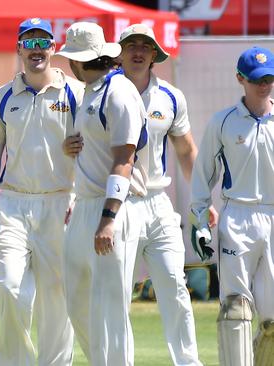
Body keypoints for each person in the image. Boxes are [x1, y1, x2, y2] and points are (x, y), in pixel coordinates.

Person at [63, 23, 216, 365]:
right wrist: (68, 146)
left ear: (154, 55)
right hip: (117, 202)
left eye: (145, 46)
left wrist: (201, 201)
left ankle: (188, 362)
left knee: (174, 286)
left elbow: (186, 151)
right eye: (131, 44)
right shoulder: (94, 90)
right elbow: (81, 143)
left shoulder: (170, 96)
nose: (137, 51)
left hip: (156, 202)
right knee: (110, 297)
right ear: (117, 52)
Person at [0, 18, 83, 365]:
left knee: (58, 295)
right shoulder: (2, 96)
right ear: (19, 47)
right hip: (13, 202)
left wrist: (78, 196)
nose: (36, 50)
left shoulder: (75, 93)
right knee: (8, 285)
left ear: (53, 48)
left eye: (43, 43)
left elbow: (94, 148)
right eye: (29, 42)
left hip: (60, 201)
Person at [57, 22, 147, 365]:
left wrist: (108, 219)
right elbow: (95, 149)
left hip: (113, 208)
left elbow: (124, 160)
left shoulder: (119, 91)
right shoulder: (91, 91)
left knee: (110, 306)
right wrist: (70, 148)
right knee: (77, 299)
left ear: (80, 61)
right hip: (85, 205)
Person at [190, 46, 274, 366]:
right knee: (236, 308)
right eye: (256, 79)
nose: (264, 85)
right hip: (237, 217)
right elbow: (203, 177)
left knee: (272, 322)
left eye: (269, 78)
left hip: (273, 216)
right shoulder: (222, 122)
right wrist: (199, 221)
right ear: (240, 78)